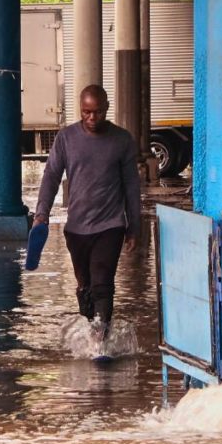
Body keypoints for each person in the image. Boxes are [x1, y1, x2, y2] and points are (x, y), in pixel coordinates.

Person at [33, 84, 141, 340]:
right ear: (81, 110)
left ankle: (100, 341)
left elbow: (131, 186)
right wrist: (41, 214)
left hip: (110, 225)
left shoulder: (122, 140)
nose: (93, 118)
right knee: (85, 286)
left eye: (98, 112)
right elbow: (51, 176)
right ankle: (91, 329)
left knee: (103, 282)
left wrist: (134, 226)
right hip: (77, 228)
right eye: (87, 112)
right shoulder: (66, 138)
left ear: (106, 109)